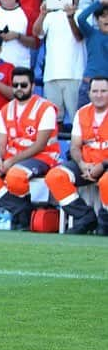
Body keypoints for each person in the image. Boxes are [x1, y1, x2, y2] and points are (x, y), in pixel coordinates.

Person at [0, 67, 61, 230]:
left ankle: (21, 216)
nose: (19, 89)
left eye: (23, 85)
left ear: (32, 86)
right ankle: (22, 211)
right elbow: (1, 141)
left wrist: (11, 162)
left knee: (15, 175)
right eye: (15, 85)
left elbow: (40, 144)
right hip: (12, 157)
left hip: (43, 157)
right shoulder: (6, 109)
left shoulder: (45, 108)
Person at [44, 77, 108, 234]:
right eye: (95, 91)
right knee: (55, 176)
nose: (99, 95)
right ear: (89, 93)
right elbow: (74, 146)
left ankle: (105, 221)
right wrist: (81, 164)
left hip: (106, 165)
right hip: (86, 164)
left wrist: (102, 166)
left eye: (103, 91)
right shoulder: (82, 112)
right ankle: (85, 216)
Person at [33, 0, 85, 125]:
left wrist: (70, 17)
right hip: (52, 75)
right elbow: (37, 32)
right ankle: (54, 145)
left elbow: (79, 36)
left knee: (78, 120)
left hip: (75, 74)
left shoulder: (82, 14)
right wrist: (42, 14)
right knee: (54, 121)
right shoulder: (50, 16)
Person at [76, 0, 108, 107]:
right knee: (82, 119)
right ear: (97, 19)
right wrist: (99, 3)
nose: (106, 19)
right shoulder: (91, 33)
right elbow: (81, 19)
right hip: (88, 85)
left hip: (106, 87)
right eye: (103, 16)